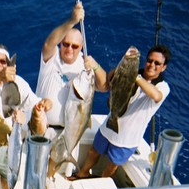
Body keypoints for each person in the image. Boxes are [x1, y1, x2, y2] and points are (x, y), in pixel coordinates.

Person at [69, 45, 171, 180]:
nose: (152, 65)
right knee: (94, 151)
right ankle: (82, 173)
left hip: (127, 139)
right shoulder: (131, 73)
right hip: (109, 126)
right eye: (149, 60)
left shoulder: (162, 87)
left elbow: (156, 96)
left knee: (112, 165)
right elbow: (108, 82)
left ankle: (101, 186)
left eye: (157, 63)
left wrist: (134, 77)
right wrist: (120, 68)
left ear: (164, 67)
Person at [35, 1, 107, 179]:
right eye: (66, 44)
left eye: (75, 46)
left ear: (80, 48)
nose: (69, 49)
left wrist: (96, 66)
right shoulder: (51, 58)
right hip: (40, 125)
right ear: (61, 44)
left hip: (68, 131)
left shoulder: (86, 65)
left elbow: (104, 86)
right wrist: (72, 20)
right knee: (35, 163)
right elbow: (48, 44)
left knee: (55, 161)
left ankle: (48, 180)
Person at [0, 43, 52, 189]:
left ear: (8, 64)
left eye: (3, 61)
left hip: (9, 142)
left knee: (6, 175)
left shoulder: (18, 82)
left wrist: (45, 103)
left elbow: (35, 103)